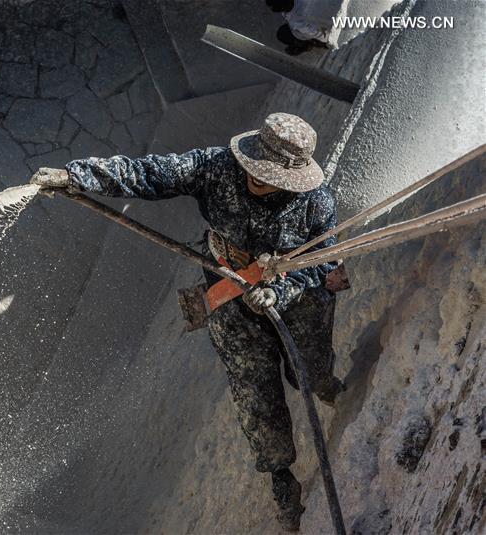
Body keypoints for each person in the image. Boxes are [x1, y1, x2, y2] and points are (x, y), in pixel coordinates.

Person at [31, 112, 345, 531]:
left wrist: (282, 290)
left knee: (309, 368)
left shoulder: (315, 202)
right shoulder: (216, 168)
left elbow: (324, 259)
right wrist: (77, 177)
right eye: (255, 169)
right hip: (232, 297)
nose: (257, 179)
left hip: (297, 299)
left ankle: (328, 387)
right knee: (254, 392)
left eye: (268, 176)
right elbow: (150, 172)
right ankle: (281, 476)